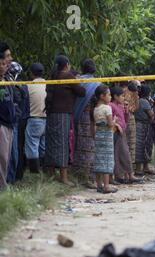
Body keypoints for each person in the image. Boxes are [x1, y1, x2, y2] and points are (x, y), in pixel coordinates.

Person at [45, 55, 86, 186]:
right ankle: (63, 177)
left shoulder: (53, 77)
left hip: (51, 113)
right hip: (63, 114)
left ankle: (51, 174)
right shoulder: (68, 76)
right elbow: (81, 92)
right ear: (67, 65)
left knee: (51, 143)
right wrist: (79, 81)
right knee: (63, 144)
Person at [72, 59, 101, 188]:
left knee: (78, 145)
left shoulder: (77, 81)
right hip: (90, 118)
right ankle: (88, 178)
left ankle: (79, 175)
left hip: (77, 116)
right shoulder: (96, 84)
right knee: (89, 147)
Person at [109, 86, 142, 185]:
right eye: (122, 96)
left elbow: (125, 120)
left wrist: (126, 111)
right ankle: (123, 175)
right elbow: (110, 120)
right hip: (115, 133)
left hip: (122, 132)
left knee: (124, 154)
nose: (124, 98)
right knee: (121, 154)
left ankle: (126, 175)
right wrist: (117, 124)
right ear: (115, 96)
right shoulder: (111, 106)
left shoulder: (120, 106)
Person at [92, 85, 117, 194]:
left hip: (98, 135)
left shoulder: (95, 109)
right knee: (107, 159)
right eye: (109, 95)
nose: (110, 97)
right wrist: (115, 121)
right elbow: (110, 124)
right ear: (102, 96)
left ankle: (99, 185)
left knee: (99, 159)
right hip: (106, 135)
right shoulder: (107, 108)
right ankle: (106, 186)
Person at [25, 63, 47, 173]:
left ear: (31, 73)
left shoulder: (28, 86)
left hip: (34, 118)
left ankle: (34, 171)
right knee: (43, 146)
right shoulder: (48, 84)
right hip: (46, 119)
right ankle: (44, 168)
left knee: (32, 145)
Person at [0, 52, 15, 190]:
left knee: (6, 158)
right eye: (3, 63)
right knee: (2, 157)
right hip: (2, 124)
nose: (6, 65)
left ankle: (3, 186)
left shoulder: (7, 79)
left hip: (9, 123)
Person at [135, 85, 155, 175]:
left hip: (138, 124)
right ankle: (140, 168)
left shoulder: (138, 100)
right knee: (143, 145)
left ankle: (143, 167)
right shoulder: (144, 101)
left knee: (141, 145)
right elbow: (151, 114)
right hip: (143, 125)